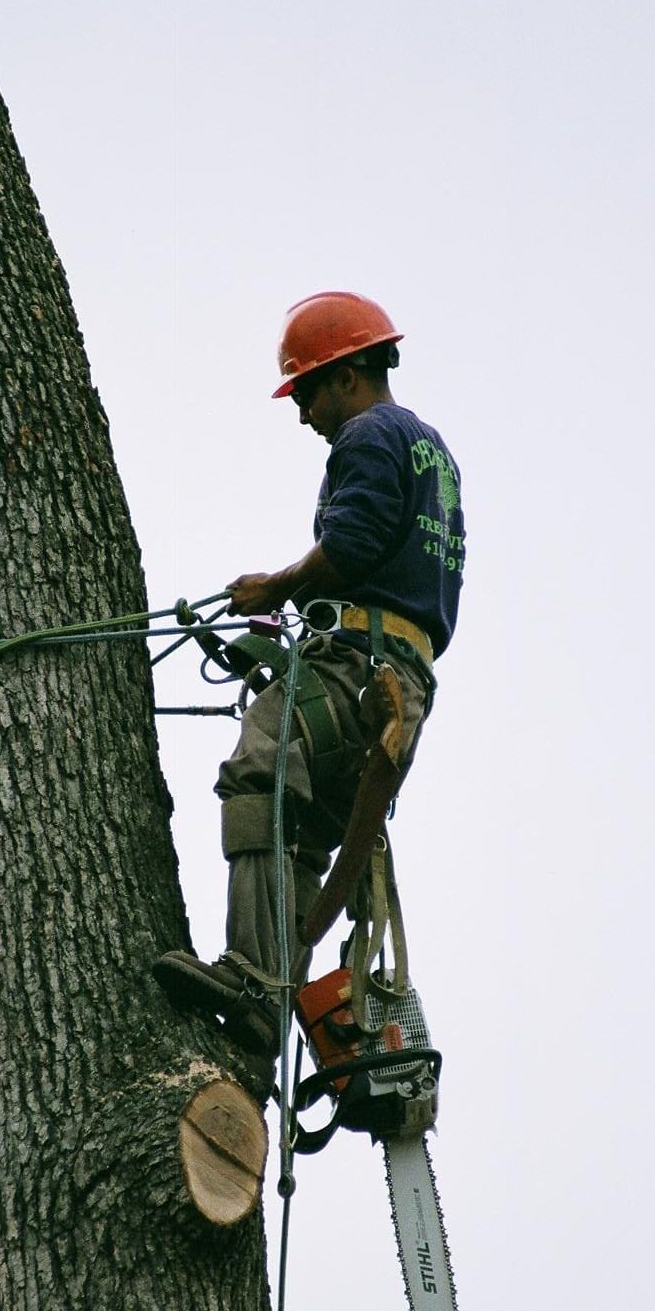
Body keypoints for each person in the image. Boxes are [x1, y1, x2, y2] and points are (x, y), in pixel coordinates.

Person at [154, 291, 464, 1057]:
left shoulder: (367, 434)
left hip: (355, 670)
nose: (304, 415)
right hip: (395, 695)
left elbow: (353, 546)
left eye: (308, 391)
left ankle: (254, 978)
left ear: (350, 373)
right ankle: (267, 1009)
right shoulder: (433, 454)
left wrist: (278, 587)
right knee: (298, 839)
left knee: (260, 768)